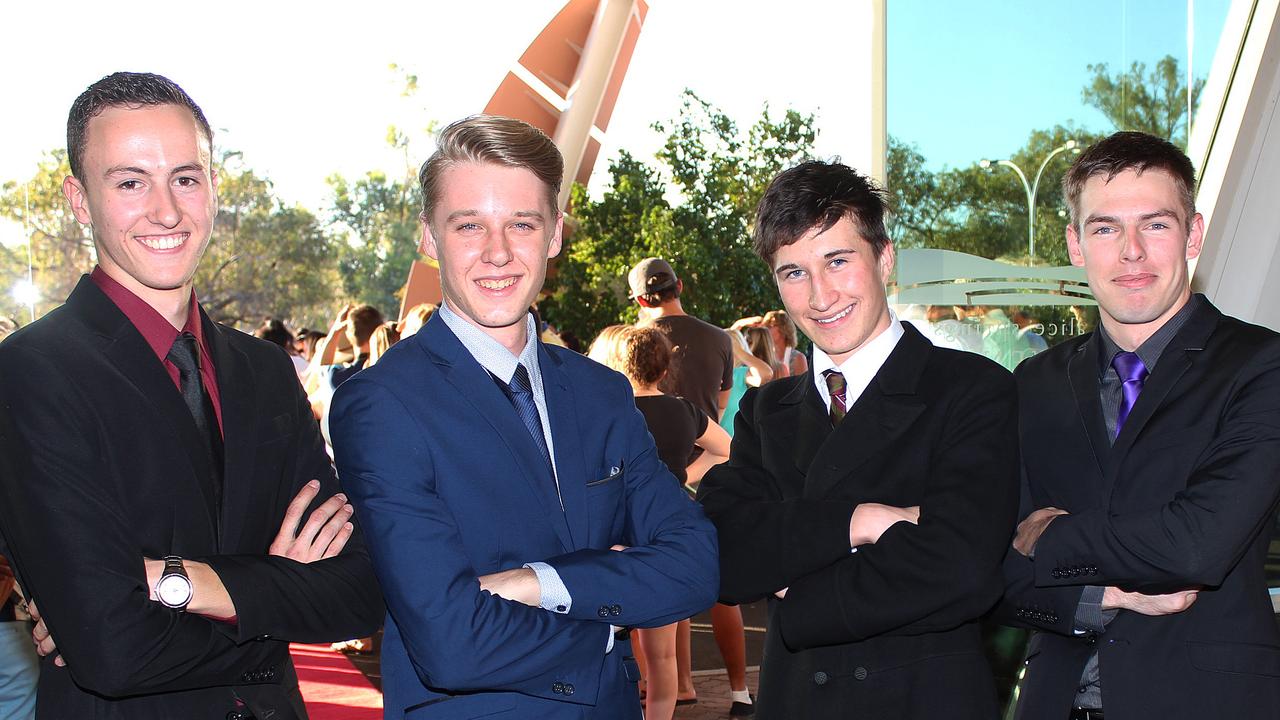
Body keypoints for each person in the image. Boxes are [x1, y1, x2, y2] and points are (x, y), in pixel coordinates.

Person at [0, 72, 382, 719]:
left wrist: (176, 582)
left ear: (211, 187)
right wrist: (276, 588)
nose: (167, 211)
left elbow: (360, 591)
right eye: (129, 182)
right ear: (79, 199)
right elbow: (113, 647)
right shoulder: (32, 373)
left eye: (185, 177)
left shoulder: (262, 372)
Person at [328, 115, 718, 720]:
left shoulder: (601, 393)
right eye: (469, 226)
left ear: (555, 234)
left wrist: (539, 584)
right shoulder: (382, 404)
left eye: (522, 223)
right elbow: (450, 642)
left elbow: (696, 565)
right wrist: (609, 623)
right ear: (428, 237)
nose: (498, 252)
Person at [697, 160, 1019, 719]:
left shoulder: (970, 388)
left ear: (885, 258)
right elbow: (725, 554)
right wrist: (863, 521)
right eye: (793, 272)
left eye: (838, 261)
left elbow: (963, 569)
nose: (820, 295)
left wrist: (798, 598)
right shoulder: (767, 410)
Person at [998, 131, 1280, 720]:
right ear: (1075, 244)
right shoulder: (1033, 383)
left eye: (1155, 224)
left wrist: (1048, 537)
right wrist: (1103, 596)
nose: (1131, 252)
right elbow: (990, 563)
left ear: (1193, 234)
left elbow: (1198, 542)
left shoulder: (1261, 366)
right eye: (1104, 228)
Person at [589, 325, 730, 720]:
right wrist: (680, 475)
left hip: (611, 538)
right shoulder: (684, 410)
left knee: (608, 644)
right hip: (664, 538)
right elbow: (726, 451)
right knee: (663, 655)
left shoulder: (607, 411)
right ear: (665, 365)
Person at [628, 256, 749, 711]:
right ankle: (736, 687)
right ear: (680, 285)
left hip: (650, 482)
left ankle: (665, 684)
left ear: (640, 300)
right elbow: (720, 406)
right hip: (699, 466)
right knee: (722, 588)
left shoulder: (630, 343)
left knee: (654, 594)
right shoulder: (719, 337)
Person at [759, 309, 807, 377]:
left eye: (771, 326)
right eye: (765, 326)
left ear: (784, 329)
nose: (766, 330)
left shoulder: (798, 358)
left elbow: (804, 386)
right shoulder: (763, 357)